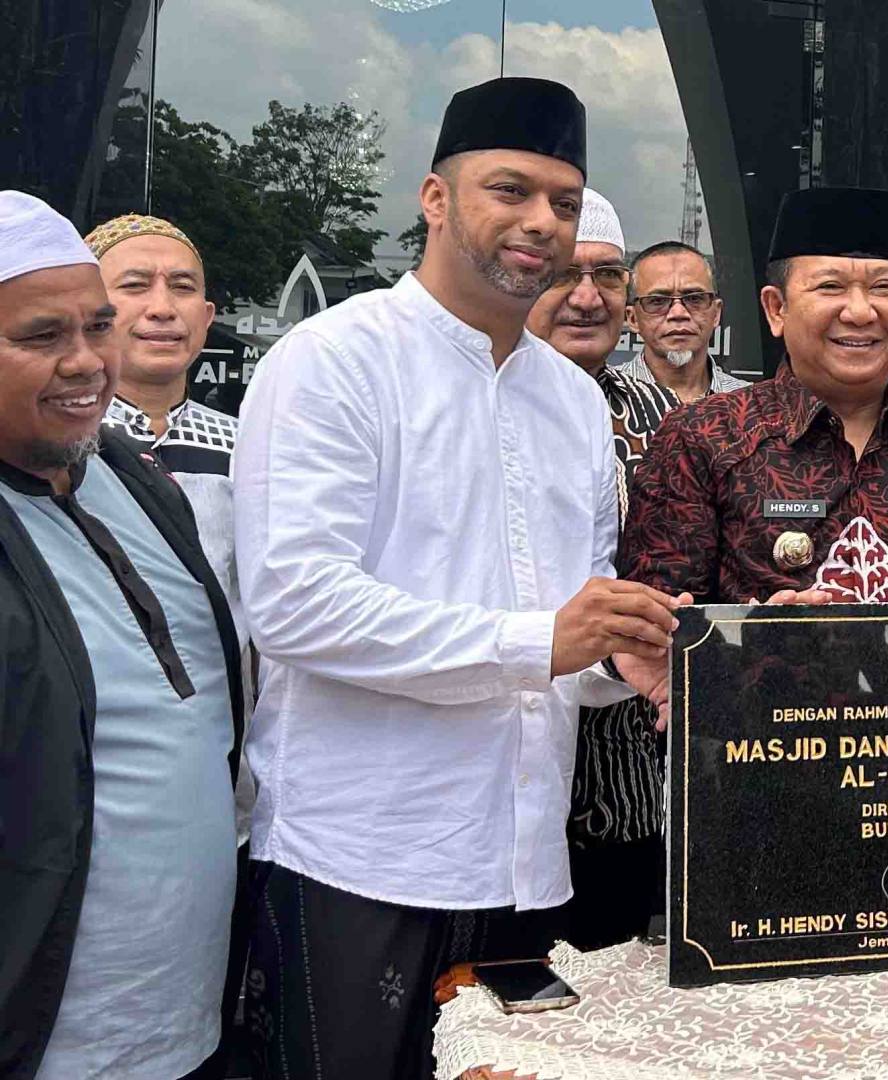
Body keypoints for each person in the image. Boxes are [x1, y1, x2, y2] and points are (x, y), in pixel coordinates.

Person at [233, 78, 684, 1080]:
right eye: (510, 190)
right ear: (435, 199)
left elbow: (568, 630)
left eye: (563, 202)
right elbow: (296, 603)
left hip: (523, 863)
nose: (542, 222)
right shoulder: (333, 362)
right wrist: (542, 642)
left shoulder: (571, 400)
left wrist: (624, 657)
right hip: (361, 857)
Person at [0, 192, 243, 1079]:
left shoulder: (134, 479)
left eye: (97, 326)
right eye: (41, 336)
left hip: (185, 1010)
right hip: (46, 1032)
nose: (86, 361)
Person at [620, 186, 888, 609]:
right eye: (830, 287)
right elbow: (654, 623)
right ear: (776, 309)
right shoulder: (703, 439)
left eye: (884, 287)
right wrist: (753, 636)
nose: (859, 312)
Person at [84, 213, 256, 1069]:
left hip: (228, 786)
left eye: (182, 288)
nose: (162, 307)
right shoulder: (58, 445)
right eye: (134, 286)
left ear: (209, 314)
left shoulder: (249, 446)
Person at [528, 188, 675, 949]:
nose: (587, 297)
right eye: (565, 274)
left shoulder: (669, 419)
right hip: (501, 770)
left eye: (609, 276)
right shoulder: (482, 404)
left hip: (635, 774)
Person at [623, 239, 746, 401]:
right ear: (633, 319)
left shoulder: (752, 403)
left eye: (694, 298)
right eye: (658, 301)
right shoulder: (601, 397)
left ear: (716, 314)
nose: (678, 313)